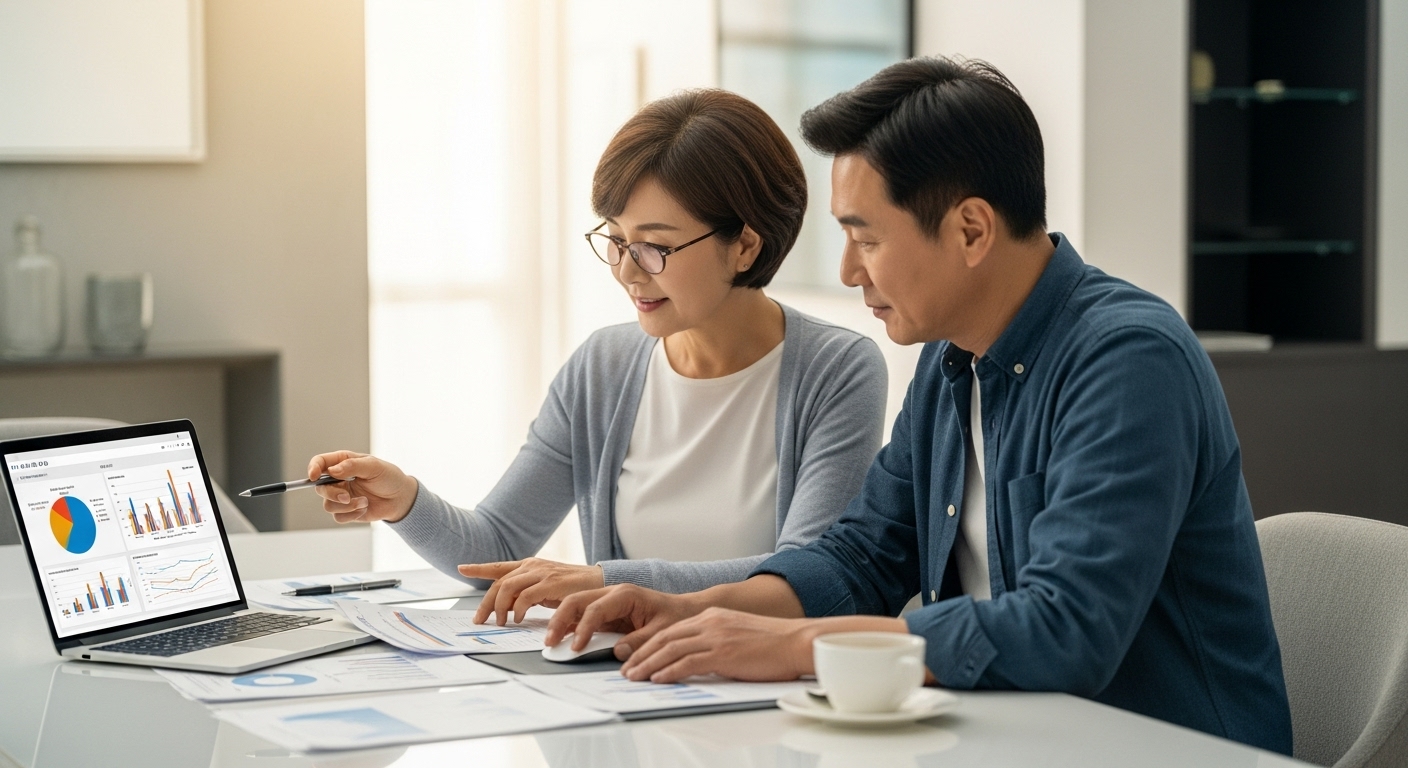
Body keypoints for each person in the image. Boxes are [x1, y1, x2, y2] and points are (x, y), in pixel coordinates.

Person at [542, 58, 1294, 755]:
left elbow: (1067, 631)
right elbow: (863, 555)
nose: (845, 272)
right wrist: (697, 609)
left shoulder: (1128, 359)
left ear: (971, 229)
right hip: (1004, 740)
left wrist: (800, 647)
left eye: (864, 239)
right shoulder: (950, 357)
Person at [307, 89, 887, 624]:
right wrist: (404, 500)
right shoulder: (603, 366)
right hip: (629, 688)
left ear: (745, 245)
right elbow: (497, 548)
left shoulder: (837, 370)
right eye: (615, 239)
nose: (627, 271)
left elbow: (808, 577)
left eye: (654, 246)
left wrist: (603, 580)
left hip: (761, 698)